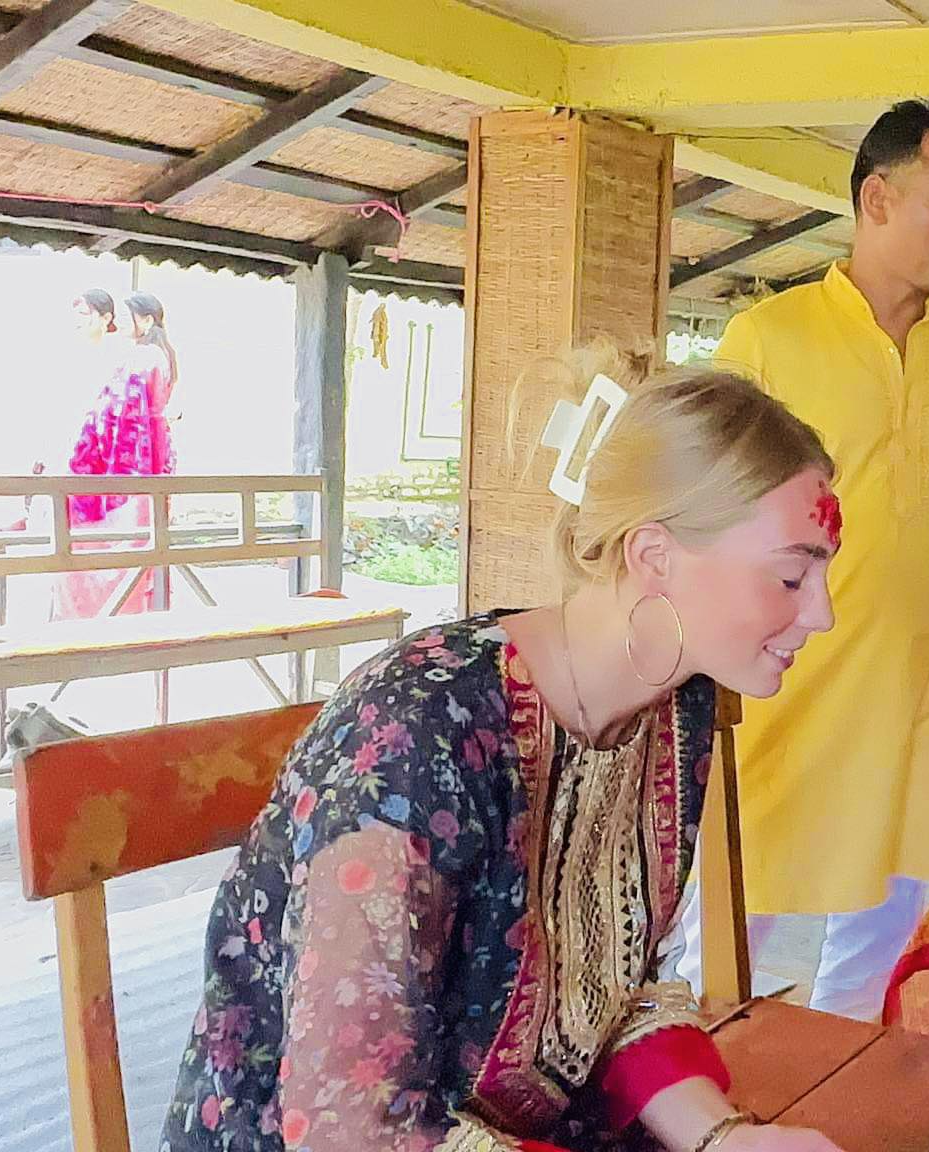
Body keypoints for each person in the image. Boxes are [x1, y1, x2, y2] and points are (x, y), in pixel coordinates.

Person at [163, 350, 847, 1152]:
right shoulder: (420, 732)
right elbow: (349, 1126)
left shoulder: (674, 706)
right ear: (654, 556)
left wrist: (723, 1137)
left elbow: (613, 993)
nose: (823, 615)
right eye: (792, 578)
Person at [679, 99, 929, 1020]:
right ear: (877, 198)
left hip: (919, 686)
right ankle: (702, 1084)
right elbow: (710, 510)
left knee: (888, 912)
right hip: (787, 682)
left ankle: (847, 1069)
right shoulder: (771, 339)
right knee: (734, 917)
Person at [53, 290, 179, 620]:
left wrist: (82, 451)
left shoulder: (142, 358)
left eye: (126, 316)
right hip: (152, 458)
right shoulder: (159, 356)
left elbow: (115, 415)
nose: (118, 323)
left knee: (110, 540)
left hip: (131, 460)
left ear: (146, 320)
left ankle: (101, 620)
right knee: (144, 541)